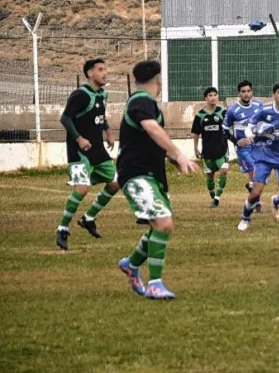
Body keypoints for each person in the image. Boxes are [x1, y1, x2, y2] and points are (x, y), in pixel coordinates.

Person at [116, 60, 198, 300]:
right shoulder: (141, 101)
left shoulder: (145, 103)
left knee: (159, 226)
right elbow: (153, 129)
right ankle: (154, 284)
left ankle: (131, 265)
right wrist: (178, 153)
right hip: (137, 174)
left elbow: (150, 138)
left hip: (153, 175)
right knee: (163, 224)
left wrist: (168, 157)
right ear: (159, 81)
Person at [56, 58, 119, 251]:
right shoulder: (80, 95)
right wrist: (79, 138)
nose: (105, 73)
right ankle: (63, 228)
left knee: (116, 182)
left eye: (105, 69)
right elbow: (65, 118)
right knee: (82, 189)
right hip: (79, 150)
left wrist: (108, 131)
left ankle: (88, 218)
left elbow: (100, 116)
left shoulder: (103, 93)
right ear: (90, 73)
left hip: (97, 149)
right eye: (100, 69)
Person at [238, 83, 279, 231]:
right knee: (256, 193)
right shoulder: (264, 111)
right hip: (264, 155)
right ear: (274, 95)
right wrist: (249, 135)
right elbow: (249, 127)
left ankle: (276, 200)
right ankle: (245, 218)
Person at [223, 80, 264, 209]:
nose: (246, 94)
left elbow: (263, 124)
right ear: (239, 94)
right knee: (253, 170)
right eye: (243, 92)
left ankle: (252, 189)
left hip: (257, 145)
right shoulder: (232, 110)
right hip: (243, 147)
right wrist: (236, 141)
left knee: (257, 175)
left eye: (248, 91)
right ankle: (256, 201)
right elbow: (224, 130)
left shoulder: (258, 106)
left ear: (252, 92)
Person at [191, 87, 228, 207]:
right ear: (205, 98)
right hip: (207, 151)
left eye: (215, 95)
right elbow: (195, 133)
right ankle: (213, 198)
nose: (213, 97)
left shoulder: (223, 112)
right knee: (210, 177)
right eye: (210, 95)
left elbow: (230, 127)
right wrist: (195, 148)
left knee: (224, 170)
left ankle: (217, 197)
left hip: (222, 150)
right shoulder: (200, 115)